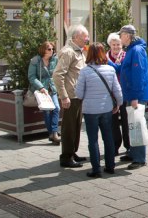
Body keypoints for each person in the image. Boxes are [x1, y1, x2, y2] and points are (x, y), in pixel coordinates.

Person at [76, 43, 123, 177]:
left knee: (93, 140)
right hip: (106, 108)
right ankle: (110, 166)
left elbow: (79, 94)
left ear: (89, 54)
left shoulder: (85, 71)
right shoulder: (110, 69)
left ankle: (96, 169)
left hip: (90, 111)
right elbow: (117, 90)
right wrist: (118, 104)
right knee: (108, 137)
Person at [112, 25, 148, 170]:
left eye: (121, 35)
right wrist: (106, 60)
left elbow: (138, 74)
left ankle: (140, 158)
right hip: (131, 94)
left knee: (137, 126)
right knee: (132, 125)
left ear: (127, 36)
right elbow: (121, 69)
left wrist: (134, 96)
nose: (119, 38)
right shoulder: (131, 50)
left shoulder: (136, 50)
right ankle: (133, 153)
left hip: (135, 95)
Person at [53, 25, 89, 168]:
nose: (87, 39)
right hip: (71, 96)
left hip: (78, 95)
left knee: (76, 126)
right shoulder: (68, 52)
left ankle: (72, 152)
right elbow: (57, 75)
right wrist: (64, 96)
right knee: (69, 128)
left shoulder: (78, 51)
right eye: (84, 37)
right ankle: (66, 157)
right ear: (75, 37)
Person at [29, 41, 60, 144]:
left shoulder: (55, 59)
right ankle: (52, 133)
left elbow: (58, 73)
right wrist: (41, 87)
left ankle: (54, 132)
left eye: (52, 49)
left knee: (56, 108)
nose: (52, 51)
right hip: (41, 89)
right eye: (49, 49)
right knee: (46, 111)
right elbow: (31, 77)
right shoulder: (35, 61)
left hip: (52, 88)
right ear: (43, 50)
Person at [106, 33, 130, 158]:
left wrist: (118, 66)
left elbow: (123, 71)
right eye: (113, 44)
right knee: (113, 121)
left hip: (124, 92)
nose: (116, 47)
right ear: (110, 45)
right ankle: (115, 146)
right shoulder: (105, 57)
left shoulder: (126, 55)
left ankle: (128, 146)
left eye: (118, 44)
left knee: (126, 120)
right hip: (110, 93)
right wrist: (117, 65)